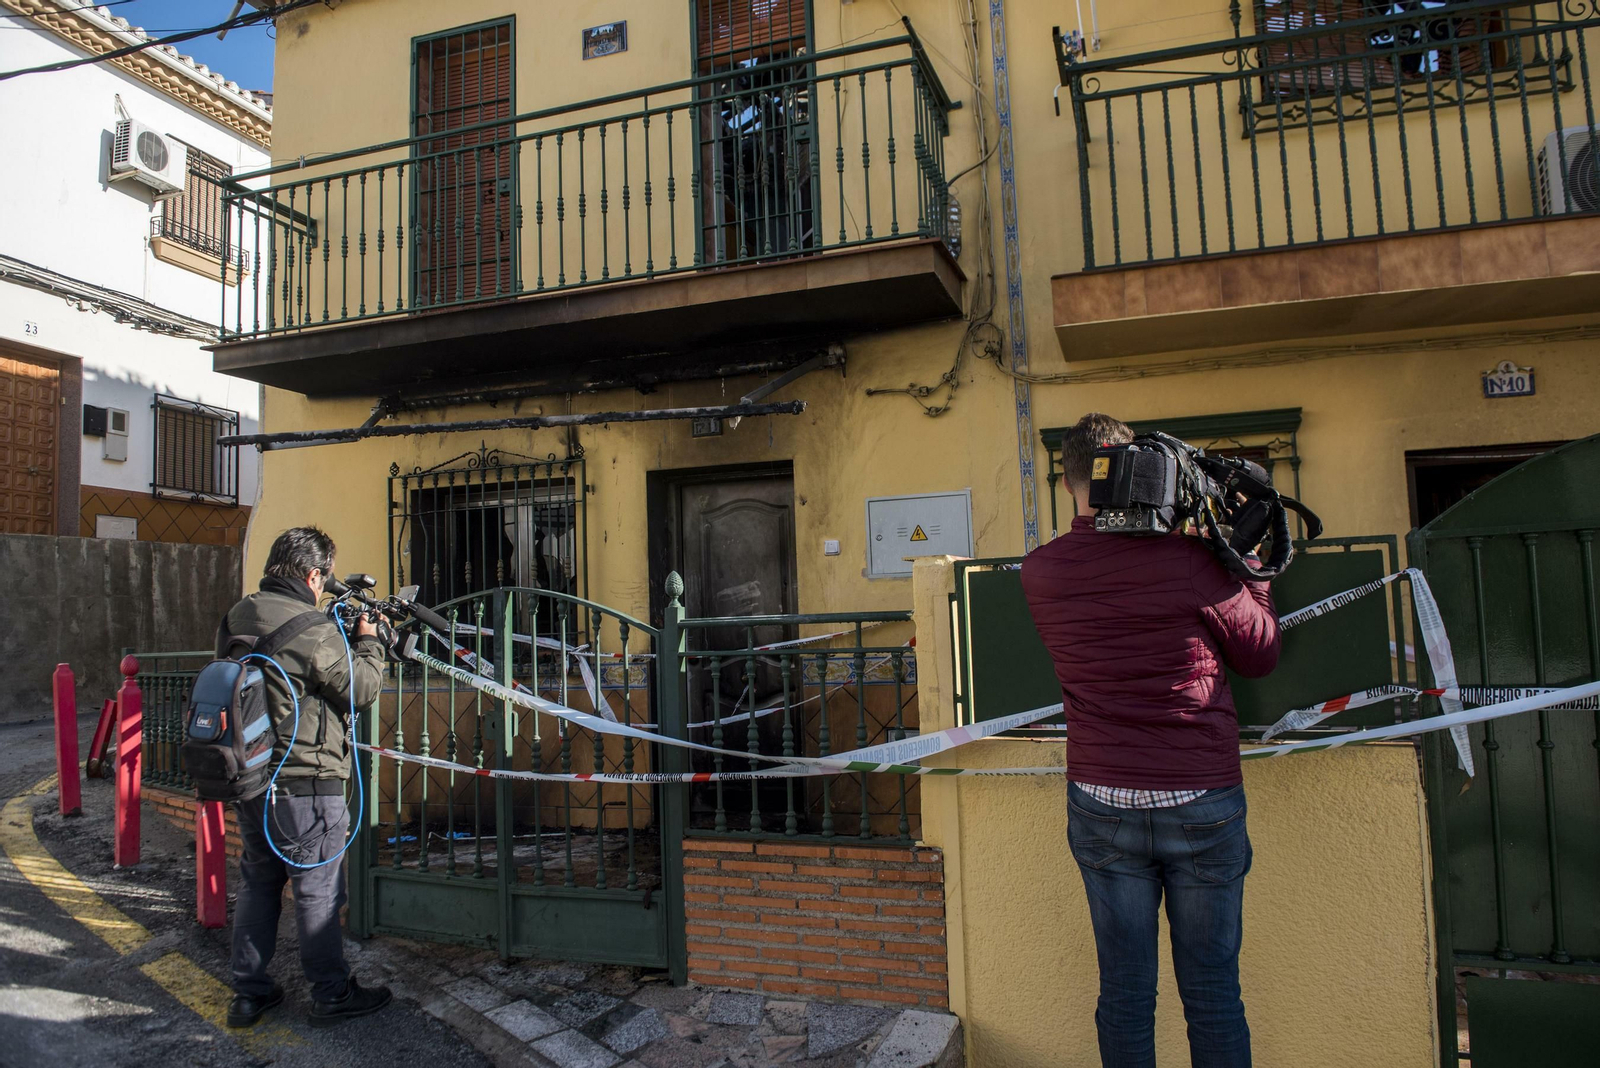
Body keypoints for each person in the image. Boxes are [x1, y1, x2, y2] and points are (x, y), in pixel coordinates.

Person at [1021, 414, 1280, 1068]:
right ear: (1141, 472)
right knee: (1213, 993)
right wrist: (1248, 565)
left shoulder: (1040, 571)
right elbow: (1259, 654)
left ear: (1069, 480)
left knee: (1125, 992)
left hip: (1101, 801)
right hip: (1201, 800)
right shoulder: (1191, 563)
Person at [222, 526, 393, 1029]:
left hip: (252, 775)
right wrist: (369, 643)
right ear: (314, 575)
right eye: (326, 578)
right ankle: (331, 993)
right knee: (318, 890)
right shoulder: (312, 629)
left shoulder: (238, 615)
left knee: (258, 881)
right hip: (306, 781)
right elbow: (361, 688)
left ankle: (248, 993)